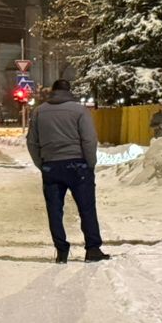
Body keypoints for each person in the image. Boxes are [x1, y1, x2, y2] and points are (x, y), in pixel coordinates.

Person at [25, 79, 108, 262]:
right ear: (69, 91)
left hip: (51, 166)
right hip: (78, 166)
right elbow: (89, 139)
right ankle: (92, 249)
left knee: (55, 210)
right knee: (86, 208)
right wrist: (90, 163)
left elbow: (32, 142)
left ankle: (61, 250)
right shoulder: (79, 110)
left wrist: (42, 164)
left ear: (52, 91)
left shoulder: (39, 111)